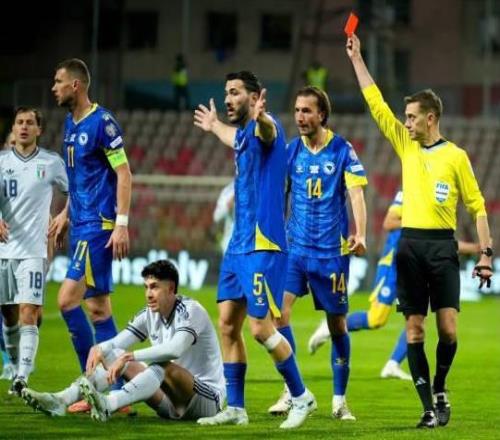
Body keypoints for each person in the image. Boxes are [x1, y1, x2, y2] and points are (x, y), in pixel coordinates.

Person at [346, 33, 493, 428]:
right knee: (414, 329)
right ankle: (428, 407)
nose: (406, 122)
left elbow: (477, 206)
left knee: (448, 330)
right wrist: (357, 59)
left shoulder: (456, 156)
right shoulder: (405, 145)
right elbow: (375, 104)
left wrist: (485, 253)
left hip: (442, 248)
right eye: (405, 117)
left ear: (430, 118)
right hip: (410, 246)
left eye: (411, 116)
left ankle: (440, 386)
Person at [193, 71, 316, 429]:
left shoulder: (266, 127)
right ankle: (236, 408)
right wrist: (214, 126)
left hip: (264, 243)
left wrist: (261, 117)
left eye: (234, 92)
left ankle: (301, 397)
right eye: (225, 92)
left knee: (261, 328)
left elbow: (267, 131)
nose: (227, 99)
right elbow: (234, 138)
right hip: (238, 245)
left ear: (253, 97)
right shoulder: (244, 134)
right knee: (227, 324)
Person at [308, 190, 483, 381]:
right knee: (376, 319)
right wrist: (416, 223)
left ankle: (393, 364)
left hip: (414, 267)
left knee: (418, 319)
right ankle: (332, 326)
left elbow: (442, 243)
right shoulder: (407, 193)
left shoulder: (436, 204)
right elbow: (388, 222)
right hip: (393, 266)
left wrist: (475, 248)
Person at [22, 260, 225, 422]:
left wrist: (131, 356)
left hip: (205, 401)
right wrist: (100, 348)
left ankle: (109, 404)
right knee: (113, 354)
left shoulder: (191, 310)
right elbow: (117, 343)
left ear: (171, 288)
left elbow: (174, 349)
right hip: (169, 402)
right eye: (146, 287)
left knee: (162, 365)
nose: (148, 294)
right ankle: (61, 399)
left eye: (154, 287)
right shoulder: (149, 314)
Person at [269, 86, 367, 420]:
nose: (300, 117)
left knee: (337, 325)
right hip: (294, 250)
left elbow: (356, 194)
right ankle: (293, 391)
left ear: (321, 114)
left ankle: (339, 400)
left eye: (307, 111)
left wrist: (360, 233)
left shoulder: (342, 150)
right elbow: (278, 196)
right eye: (297, 110)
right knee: (279, 315)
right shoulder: (291, 150)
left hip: (331, 254)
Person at [49, 59, 132, 408]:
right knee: (99, 311)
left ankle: (90, 386)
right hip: (81, 224)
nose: (53, 88)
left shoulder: (102, 123)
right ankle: (119, 394)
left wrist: (121, 223)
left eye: (58, 81)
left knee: (66, 301)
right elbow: (79, 179)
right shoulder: (70, 123)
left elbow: (124, 174)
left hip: (98, 227)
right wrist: (66, 213)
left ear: (76, 85)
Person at [0, 107, 68, 394]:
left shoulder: (51, 162)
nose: (24, 127)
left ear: (39, 129)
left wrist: (63, 215)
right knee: (8, 315)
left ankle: (22, 377)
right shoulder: (1, 162)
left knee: (29, 311)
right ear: (13, 129)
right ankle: (15, 365)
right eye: (20, 122)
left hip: (34, 250)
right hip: (4, 250)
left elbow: (74, 191)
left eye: (30, 123)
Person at [212, 180, 234, 254]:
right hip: (230, 242)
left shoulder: (258, 186)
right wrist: (228, 206)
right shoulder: (228, 191)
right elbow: (216, 216)